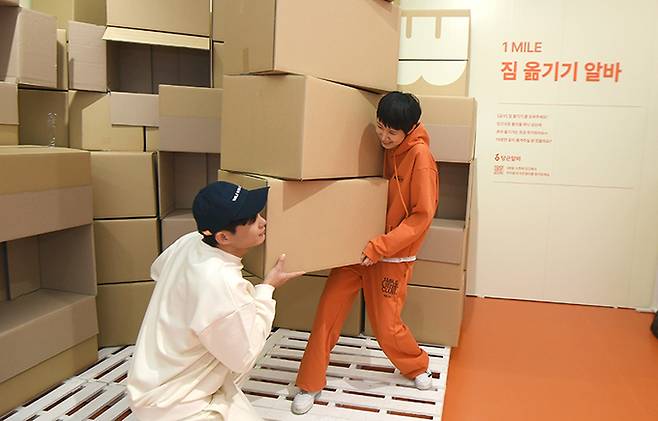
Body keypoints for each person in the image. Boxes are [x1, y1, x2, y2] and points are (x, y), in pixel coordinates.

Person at [291, 92, 439, 415]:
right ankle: (309, 383)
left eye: (392, 132)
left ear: (410, 129)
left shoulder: (421, 158)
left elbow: (422, 216)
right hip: (356, 249)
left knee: (386, 327)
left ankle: (416, 365)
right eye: (380, 127)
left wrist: (381, 247)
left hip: (390, 256)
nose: (383, 136)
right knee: (327, 313)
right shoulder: (381, 148)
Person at [127, 181, 304, 420]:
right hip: (175, 405)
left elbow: (157, 271)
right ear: (223, 237)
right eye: (251, 220)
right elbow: (244, 357)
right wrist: (267, 289)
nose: (263, 222)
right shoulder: (221, 282)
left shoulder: (190, 241)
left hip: (152, 384)